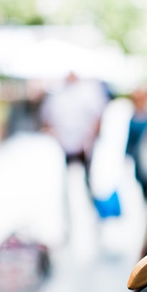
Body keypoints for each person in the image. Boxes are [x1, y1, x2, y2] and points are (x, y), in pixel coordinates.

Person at [39, 71, 109, 232]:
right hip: (64, 145)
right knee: (65, 184)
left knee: (89, 182)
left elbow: (97, 118)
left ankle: (94, 215)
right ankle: (68, 220)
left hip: (84, 145)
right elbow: (47, 120)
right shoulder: (57, 96)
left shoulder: (87, 94)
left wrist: (89, 140)